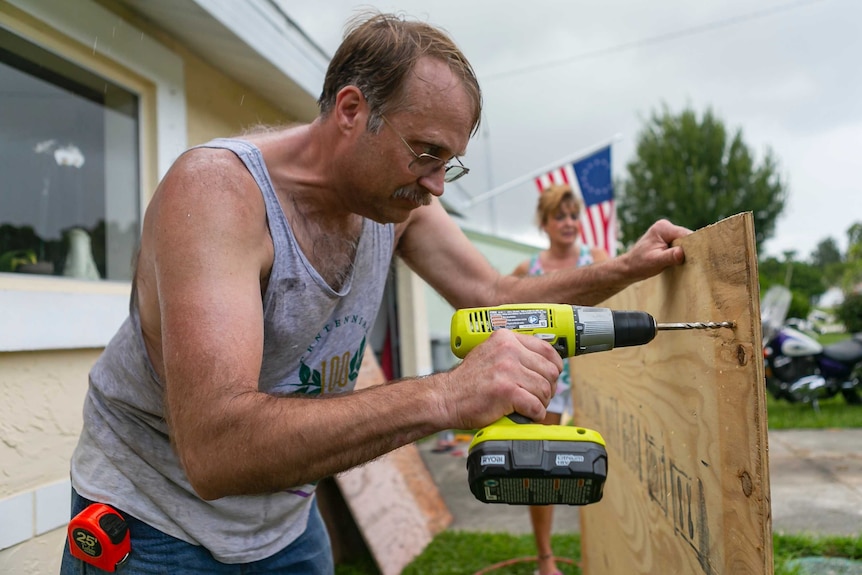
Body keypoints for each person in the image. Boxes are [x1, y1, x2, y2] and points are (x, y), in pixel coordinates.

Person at [60, 11, 690, 574]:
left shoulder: (394, 203)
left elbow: (492, 292)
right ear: (352, 110)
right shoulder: (219, 196)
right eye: (426, 154)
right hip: (154, 530)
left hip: (285, 522)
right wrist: (447, 394)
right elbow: (216, 448)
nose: (438, 185)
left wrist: (625, 269)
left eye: (451, 163)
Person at [512, 184, 609, 575]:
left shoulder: (596, 258)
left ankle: (605, 547)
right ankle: (545, 559)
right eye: (559, 216)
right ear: (544, 223)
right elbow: (496, 310)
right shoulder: (528, 270)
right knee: (542, 469)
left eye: (573, 215)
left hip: (593, 379)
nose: (568, 223)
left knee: (599, 462)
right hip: (546, 381)